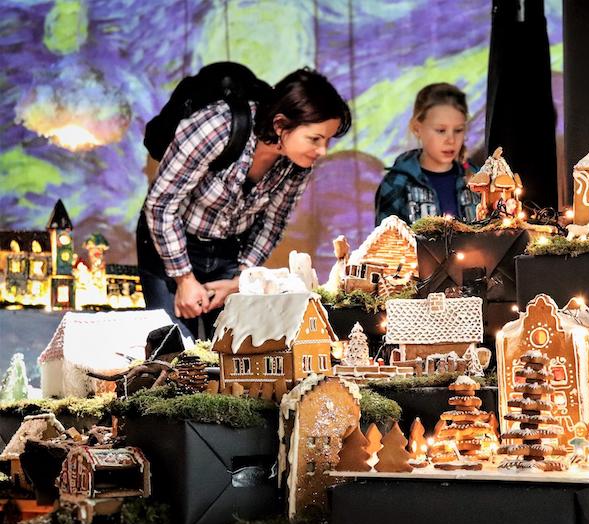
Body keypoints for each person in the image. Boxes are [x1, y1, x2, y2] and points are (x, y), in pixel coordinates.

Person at [138, 68, 351, 339]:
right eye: (315, 139)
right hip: (169, 242)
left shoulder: (299, 164)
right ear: (280, 125)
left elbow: (273, 222)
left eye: (328, 140)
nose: (322, 150)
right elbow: (160, 203)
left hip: (229, 247)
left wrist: (240, 280)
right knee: (174, 345)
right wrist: (184, 279)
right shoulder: (218, 127)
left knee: (236, 344)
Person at [374, 83, 480, 225]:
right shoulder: (396, 184)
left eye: (458, 130)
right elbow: (385, 244)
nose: (451, 140)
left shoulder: (478, 179)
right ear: (417, 128)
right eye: (441, 130)